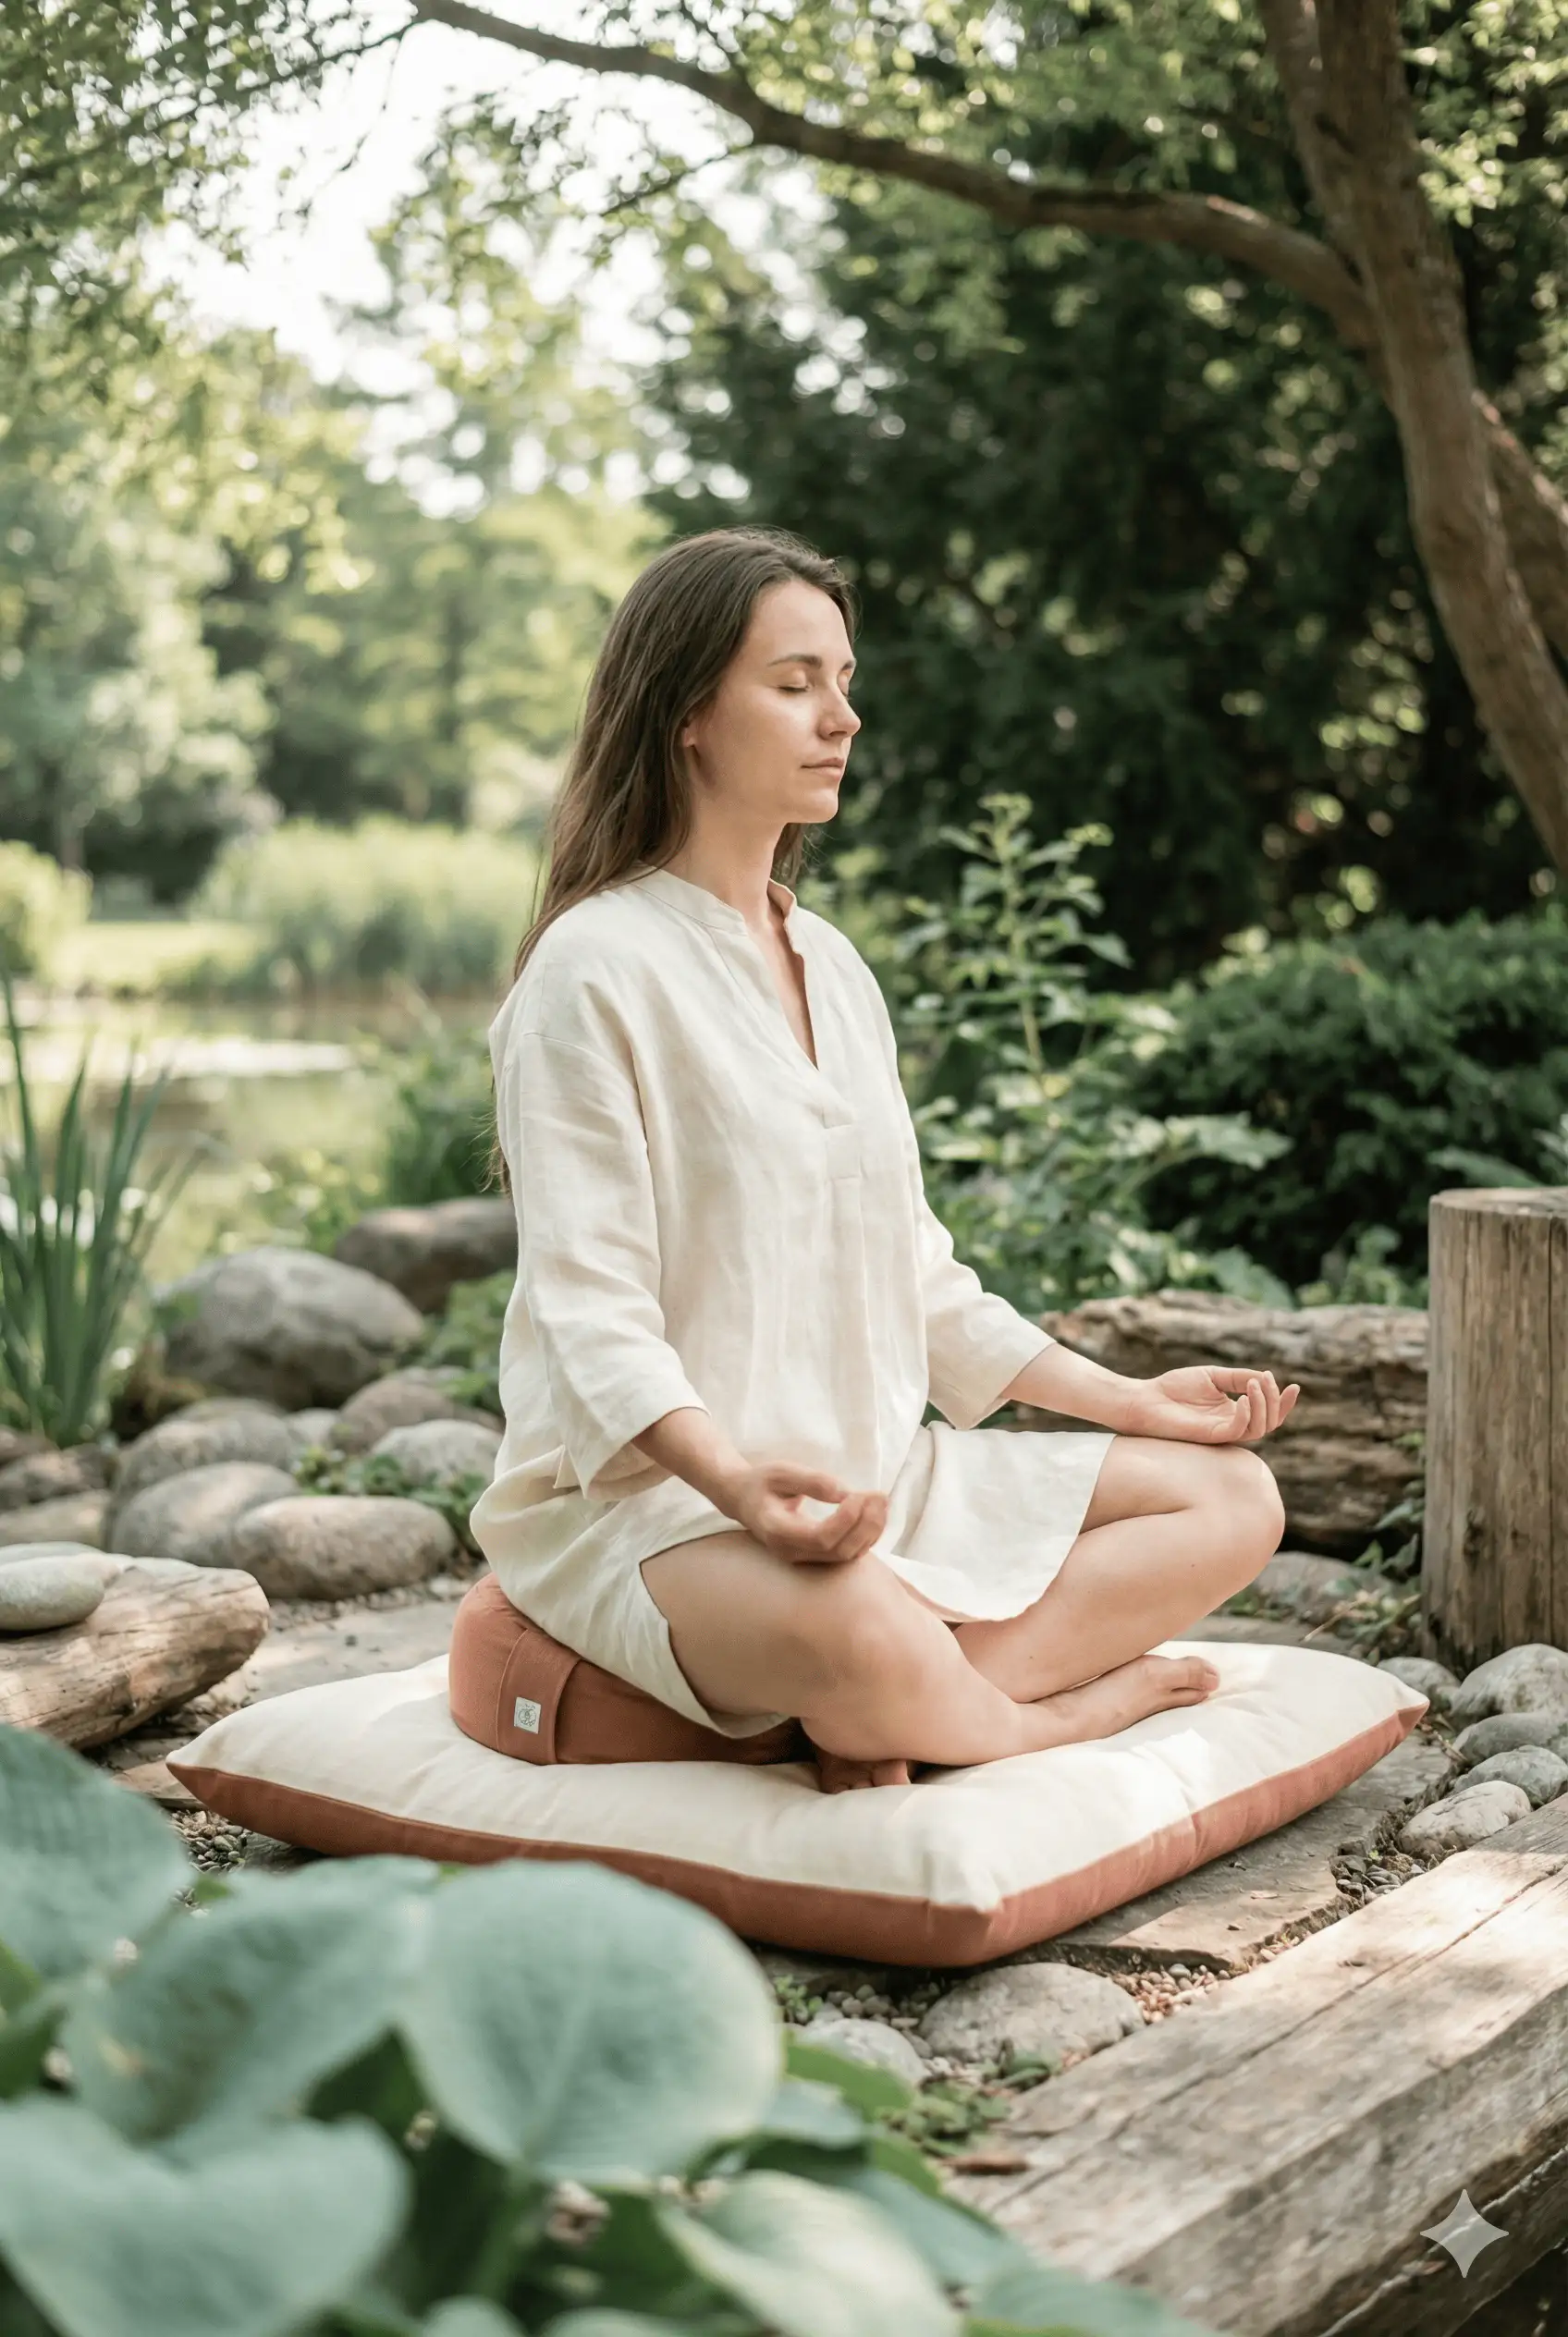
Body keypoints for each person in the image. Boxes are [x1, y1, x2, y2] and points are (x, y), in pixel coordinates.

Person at [470, 524, 1298, 1793]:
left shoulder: (836, 970)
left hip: (874, 1480)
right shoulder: (591, 971)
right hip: (657, 1506)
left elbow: (916, 1275)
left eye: (844, 682)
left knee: (1233, 1498)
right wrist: (742, 1486)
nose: (840, 717)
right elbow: (592, 1312)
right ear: (688, 712)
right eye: (795, 682)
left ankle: (917, 1699)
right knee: (857, 1623)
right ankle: (1034, 1714)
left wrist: (1131, 1400)